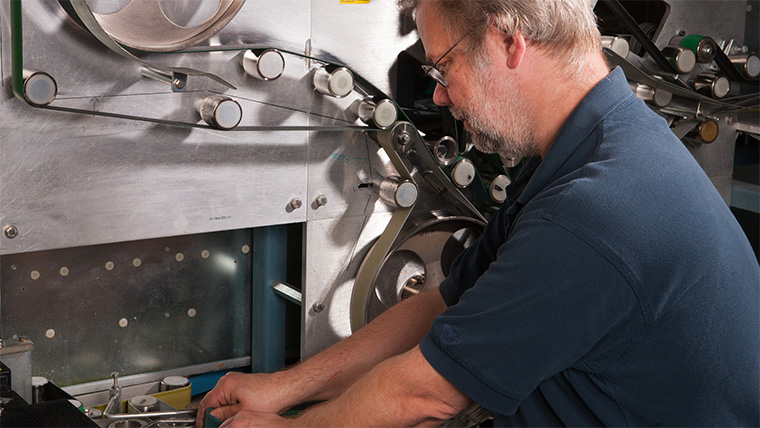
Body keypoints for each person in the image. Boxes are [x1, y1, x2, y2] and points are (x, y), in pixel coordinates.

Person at [198, 0, 760, 426]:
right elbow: (443, 305)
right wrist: (284, 389)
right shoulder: (592, 141)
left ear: (509, 38)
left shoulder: (595, 211)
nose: (439, 96)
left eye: (443, 67)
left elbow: (426, 392)